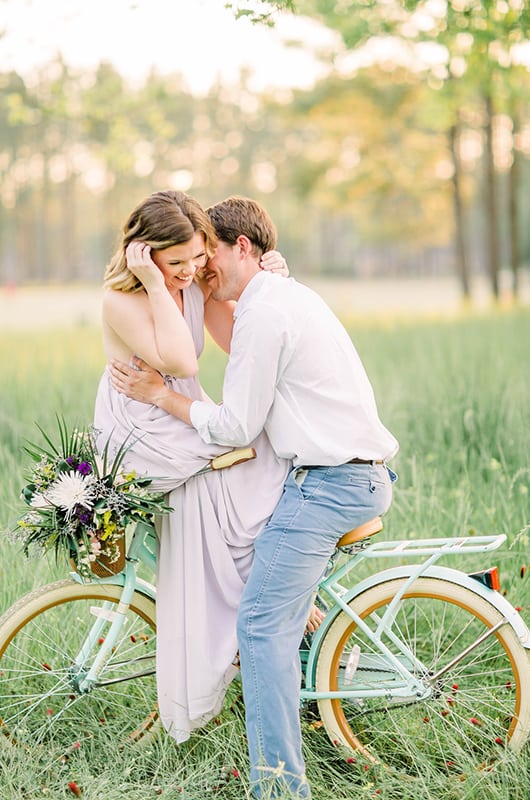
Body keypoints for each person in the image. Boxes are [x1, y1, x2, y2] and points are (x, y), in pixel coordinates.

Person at [109, 196, 399, 799]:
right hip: (336, 473)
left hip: (330, 482)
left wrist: (165, 398)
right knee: (254, 556)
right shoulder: (272, 297)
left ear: (242, 247)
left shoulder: (267, 310)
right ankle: (304, 627)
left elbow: (238, 426)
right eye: (191, 259)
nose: (201, 270)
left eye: (208, 255)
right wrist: (203, 287)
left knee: (260, 627)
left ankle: (279, 789)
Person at [93, 189, 292, 744]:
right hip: (144, 428)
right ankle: (248, 611)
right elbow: (181, 360)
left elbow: (231, 340)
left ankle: (269, 590)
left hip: (176, 411)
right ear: (141, 252)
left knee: (268, 453)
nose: (187, 272)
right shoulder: (120, 300)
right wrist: (158, 286)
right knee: (248, 462)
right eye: (173, 261)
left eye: (196, 260)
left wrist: (265, 283)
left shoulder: (193, 282)